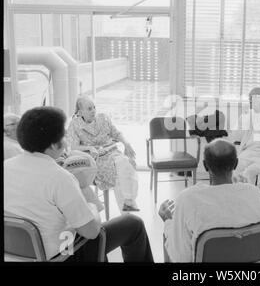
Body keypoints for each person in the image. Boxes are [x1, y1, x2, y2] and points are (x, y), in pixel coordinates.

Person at [4, 106, 154, 262]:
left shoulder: (6, 167)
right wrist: (92, 206)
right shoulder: (60, 177)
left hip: (15, 255)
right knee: (132, 223)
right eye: (64, 136)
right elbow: (91, 231)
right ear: (55, 145)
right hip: (62, 254)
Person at [159, 138, 260, 262]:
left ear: (205, 165)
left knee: (169, 233)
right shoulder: (254, 193)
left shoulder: (187, 198)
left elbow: (181, 258)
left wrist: (168, 222)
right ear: (236, 164)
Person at [66, 96, 139, 212]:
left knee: (125, 164)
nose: (93, 110)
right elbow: (72, 147)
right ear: (80, 112)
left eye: (94, 107)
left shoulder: (103, 118)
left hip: (112, 152)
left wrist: (126, 143)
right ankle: (127, 208)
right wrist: (89, 148)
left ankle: (128, 205)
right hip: (95, 159)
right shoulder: (75, 124)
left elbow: (116, 133)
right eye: (89, 109)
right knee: (121, 170)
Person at [228, 87, 260, 185]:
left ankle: (250, 196)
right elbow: (235, 136)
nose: (250, 101)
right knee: (234, 170)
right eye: (250, 99)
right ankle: (234, 194)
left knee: (249, 173)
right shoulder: (246, 115)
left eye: (253, 99)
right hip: (248, 153)